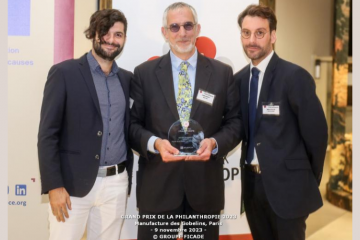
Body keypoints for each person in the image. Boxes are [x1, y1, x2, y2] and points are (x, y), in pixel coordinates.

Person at [129, 2, 241, 240]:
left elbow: (235, 122)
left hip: (204, 188)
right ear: (165, 32)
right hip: (158, 188)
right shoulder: (144, 74)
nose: (182, 33)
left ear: (198, 28)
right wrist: (155, 144)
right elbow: (131, 126)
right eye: (175, 26)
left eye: (188, 26)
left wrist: (214, 143)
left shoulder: (222, 73)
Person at [38, 9, 133, 240]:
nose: (111, 40)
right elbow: (48, 134)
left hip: (116, 184)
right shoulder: (64, 73)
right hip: (71, 186)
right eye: (105, 33)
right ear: (93, 34)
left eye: (118, 35)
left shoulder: (128, 79)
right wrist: (54, 185)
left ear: (124, 39)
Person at [234, 4, 328, 240]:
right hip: (252, 187)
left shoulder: (294, 77)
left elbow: (317, 136)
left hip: (289, 189)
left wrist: (305, 179)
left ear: (273, 35)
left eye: (260, 33)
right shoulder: (239, 80)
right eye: (246, 33)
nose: (252, 40)